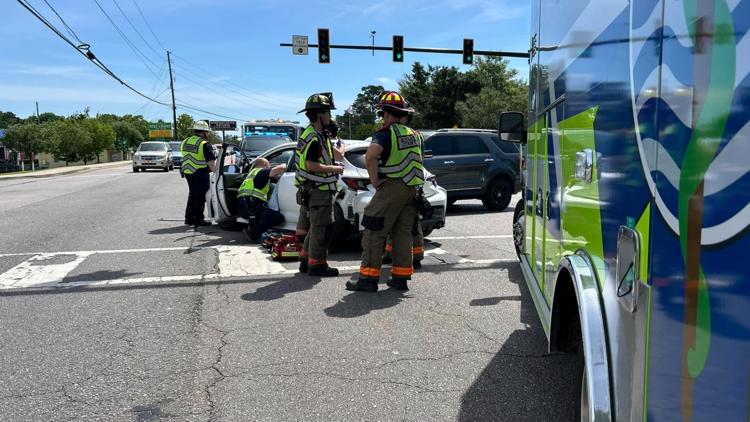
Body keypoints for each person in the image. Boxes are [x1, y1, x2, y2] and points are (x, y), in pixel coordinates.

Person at [346, 92, 425, 292]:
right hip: (412, 190)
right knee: (402, 232)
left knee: (373, 231)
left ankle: (368, 279)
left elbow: (370, 156)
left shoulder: (384, 133)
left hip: (391, 187)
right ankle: (400, 277)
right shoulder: (416, 135)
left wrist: (375, 181)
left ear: (386, 114)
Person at [294, 92, 345, 277]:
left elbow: (335, 155)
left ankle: (306, 260)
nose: (331, 117)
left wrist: (338, 149)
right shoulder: (314, 137)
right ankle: (317, 265)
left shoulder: (315, 134)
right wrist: (336, 169)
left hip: (313, 189)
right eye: (328, 113)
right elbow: (311, 165)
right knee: (323, 228)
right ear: (319, 115)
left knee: (316, 227)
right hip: (319, 191)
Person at [383, 101, 425, 268]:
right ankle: (393, 252)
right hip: (411, 183)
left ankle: (415, 255)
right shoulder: (416, 135)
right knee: (403, 223)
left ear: (406, 117)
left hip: (404, 184)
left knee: (409, 224)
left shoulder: (403, 134)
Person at [236, 157, 286, 242]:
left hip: (244, 208)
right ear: (265, 165)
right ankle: (253, 233)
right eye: (269, 165)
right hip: (252, 208)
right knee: (278, 217)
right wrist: (286, 164)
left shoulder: (251, 174)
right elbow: (281, 168)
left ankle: (254, 228)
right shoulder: (261, 172)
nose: (269, 167)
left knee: (265, 213)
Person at [181, 120, 217, 227]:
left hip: (188, 172)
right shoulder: (204, 144)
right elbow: (211, 162)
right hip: (200, 172)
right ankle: (198, 219)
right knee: (200, 196)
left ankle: (189, 218)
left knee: (192, 195)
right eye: (207, 132)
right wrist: (217, 172)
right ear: (204, 132)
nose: (208, 134)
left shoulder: (186, 141)